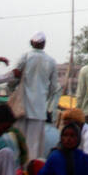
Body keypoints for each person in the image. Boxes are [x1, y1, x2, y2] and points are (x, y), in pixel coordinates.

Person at [10, 32, 59, 162]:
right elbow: (53, 87)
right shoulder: (51, 61)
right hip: (39, 109)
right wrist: (44, 97)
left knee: (17, 143)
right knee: (34, 147)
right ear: (44, 44)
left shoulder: (25, 57)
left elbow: (13, 79)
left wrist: (12, 89)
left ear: (32, 43)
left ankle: (18, 174)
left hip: (22, 107)